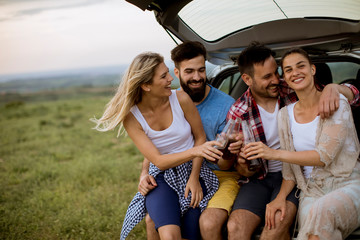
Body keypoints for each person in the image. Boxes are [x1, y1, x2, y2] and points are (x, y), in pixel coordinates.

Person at [225, 42, 360, 240]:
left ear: (312, 69)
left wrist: (335, 88)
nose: (276, 80)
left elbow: (350, 96)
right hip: (270, 179)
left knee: (287, 227)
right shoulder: (246, 112)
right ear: (247, 79)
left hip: (317, 179)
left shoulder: (307, 94)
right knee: (236, 228)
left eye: (276, 73)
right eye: (268, 76)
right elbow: (241, 169)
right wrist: (241, 159)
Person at [92, 52, 223, 240]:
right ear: (146, 85)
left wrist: (194, 178)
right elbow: (159, 161)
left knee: (190, 232)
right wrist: (144, 173)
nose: (171, 78)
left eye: (168, 73)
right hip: (161, 176)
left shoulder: (181, 99)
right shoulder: (132, 118)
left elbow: (200, 137)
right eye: (163, 76)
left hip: (194, 171)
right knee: (169, 235)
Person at [138, 41, 243, 240]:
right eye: (189, 71)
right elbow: (157, 144)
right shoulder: (168, 99)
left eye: (201, 70)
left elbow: (226, 164)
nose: (197, 77)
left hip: (221, 175)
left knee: (204, 221)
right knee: (152, 220)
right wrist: (144, 173)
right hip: (178, 172)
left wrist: (228, 150)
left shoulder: (227, 107)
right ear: (176, 73)